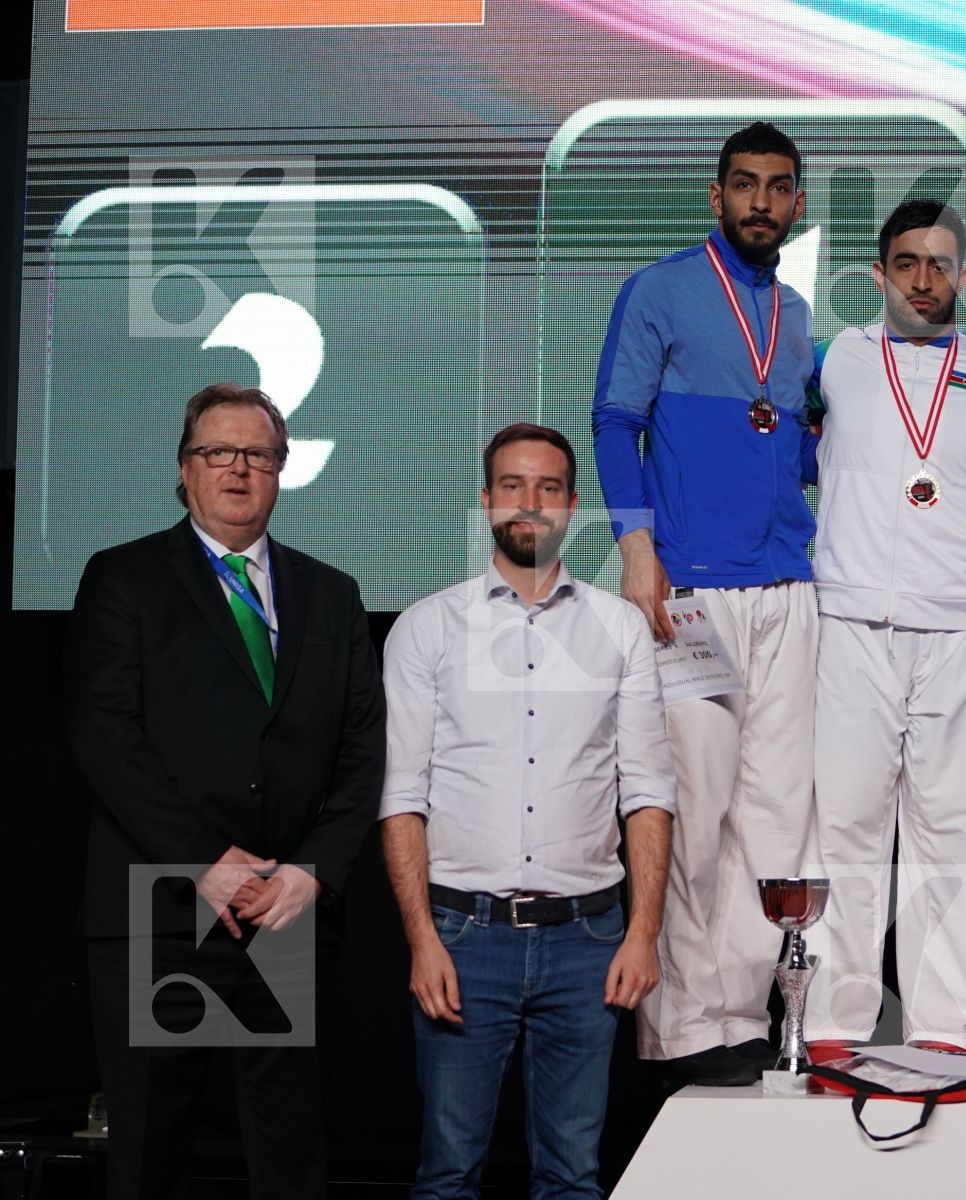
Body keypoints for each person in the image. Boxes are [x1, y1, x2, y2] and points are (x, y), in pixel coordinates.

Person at [66, 382, 385, 1200]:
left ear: (282, 472)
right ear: (185, 469)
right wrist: (202, 861)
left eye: (258, 455)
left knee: (289, 1161)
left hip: (286, 910)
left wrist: (312, 870)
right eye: (218, 452)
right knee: (151, 1154)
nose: (238, 469)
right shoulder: (123, 578)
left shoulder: (332, 595)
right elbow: (107, 739)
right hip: (161, 905)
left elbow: (360, 754)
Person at [380, 423, 674, 1199]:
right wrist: (421, 941)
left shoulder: (618, 628)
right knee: (447, 1174)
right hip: (463, 939)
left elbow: (647, 791)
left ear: (573, 506)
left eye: (547, 489)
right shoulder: (426, 628)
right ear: (485, 502)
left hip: (587, 942)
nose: (529, 504)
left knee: (573, 1176)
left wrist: (643, 934)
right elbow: (403, 797)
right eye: (512, 486)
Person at [591, 120, 817, 1086]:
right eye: (744, 185)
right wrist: (637, 546)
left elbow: (799, 447)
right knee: (696, 805)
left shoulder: (800, 311)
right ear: (716, 197)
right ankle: (682, 1026)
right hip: (691, 589)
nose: (760, 201)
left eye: (777, 187)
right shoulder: (662, 288)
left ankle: (742, 1016)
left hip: (788, 586)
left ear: (797, 204)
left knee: (775, 815)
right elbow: (614, 420)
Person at [806, 199, 966, 1054]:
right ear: (879, 272)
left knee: (956, 829)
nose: (925, 281)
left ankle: (948, 1027)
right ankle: (831, 1022)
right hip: (851, 618)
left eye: (941, 264)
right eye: (907, 264)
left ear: (962, 274)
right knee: (846, 824)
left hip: (962, 623)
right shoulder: (837, 360)